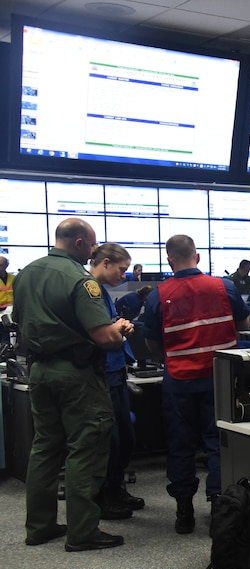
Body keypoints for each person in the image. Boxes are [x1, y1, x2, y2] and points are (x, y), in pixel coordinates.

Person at [13, 217, 133, 551]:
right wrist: (120, 328)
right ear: (80, 243)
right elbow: (105, 338)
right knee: (87, 447)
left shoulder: (25, 275)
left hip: (39, 372)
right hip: (76, 375)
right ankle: (82, 532)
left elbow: (19, 321)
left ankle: (39, 526)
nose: (94, 251)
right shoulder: (81, 281)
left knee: (45, 449)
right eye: (92, 245)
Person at [143, 235, 250, 535]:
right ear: (198, 257)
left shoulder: (158, 295)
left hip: (179, 381)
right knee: (218, 444)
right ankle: (220, 508)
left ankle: (184, 513)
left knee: (180, 446)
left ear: (170, 260)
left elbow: (151, 342)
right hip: (220, 377)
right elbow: (242, 324)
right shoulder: (224, 286)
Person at [88, 243, 144, 520]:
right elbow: (95, 334)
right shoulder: (87, 291)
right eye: (122, 269)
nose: (124, 275)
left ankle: (115, 488)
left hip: (116, 370)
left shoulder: (103, 292)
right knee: (111, 439)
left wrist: (120, 327)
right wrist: (117, 328)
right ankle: (104, 496)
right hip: (102, 373)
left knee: (126, 437)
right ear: (107, 262)